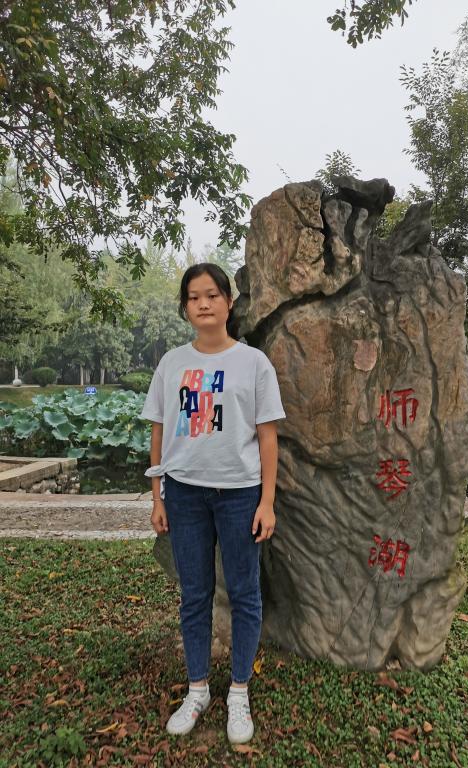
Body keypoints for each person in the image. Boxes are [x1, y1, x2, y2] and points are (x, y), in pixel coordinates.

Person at [140, 262, 285, 744]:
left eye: (212, 295)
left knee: (244, 593)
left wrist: (267, 502)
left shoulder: (253, 363)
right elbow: (159, 430)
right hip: (184, 495)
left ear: (228, 301)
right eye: (193, 297)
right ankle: (198, 688)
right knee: (195, 594)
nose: (203, 303)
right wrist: (158, 495)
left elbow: (268, 438)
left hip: (240, 495)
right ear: (185, 307)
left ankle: (238, 692)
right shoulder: (172, 364)